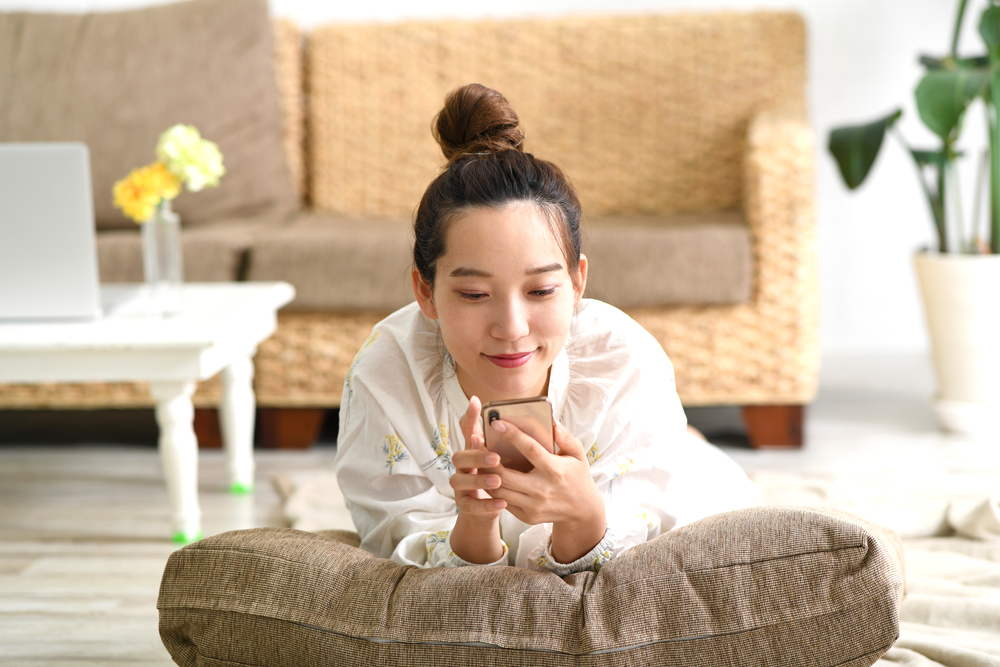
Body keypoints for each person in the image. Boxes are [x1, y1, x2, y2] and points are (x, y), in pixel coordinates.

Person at [333, 83, 758, 575]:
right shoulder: (387, 374)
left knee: (702, 469)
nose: (512, 330)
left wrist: (584, 515)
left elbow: (644, 545)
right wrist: (473, 526)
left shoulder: (623, 363)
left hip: (673, 470)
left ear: (578, 282)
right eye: (474, 295)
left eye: (540, 292)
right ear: (424, 291)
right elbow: (396, 545)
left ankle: (695, 444)